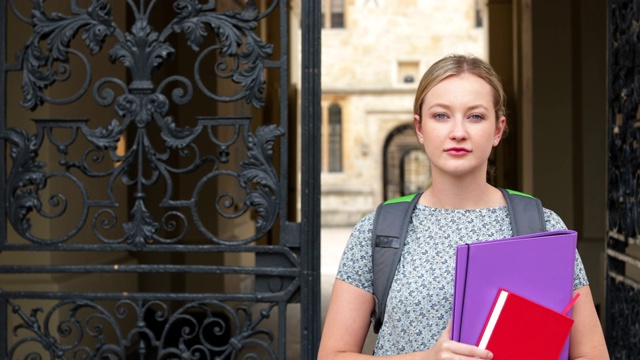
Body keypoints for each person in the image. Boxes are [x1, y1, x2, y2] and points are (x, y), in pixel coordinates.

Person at [317, 54, 609, 359]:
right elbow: (332, 355)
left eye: (476, 116)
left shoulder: (543, 228)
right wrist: (428, 358)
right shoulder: (378, 230)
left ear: (498, 130)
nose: (458, 132)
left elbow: (593, 354)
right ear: (419, 128)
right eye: (441, 115)